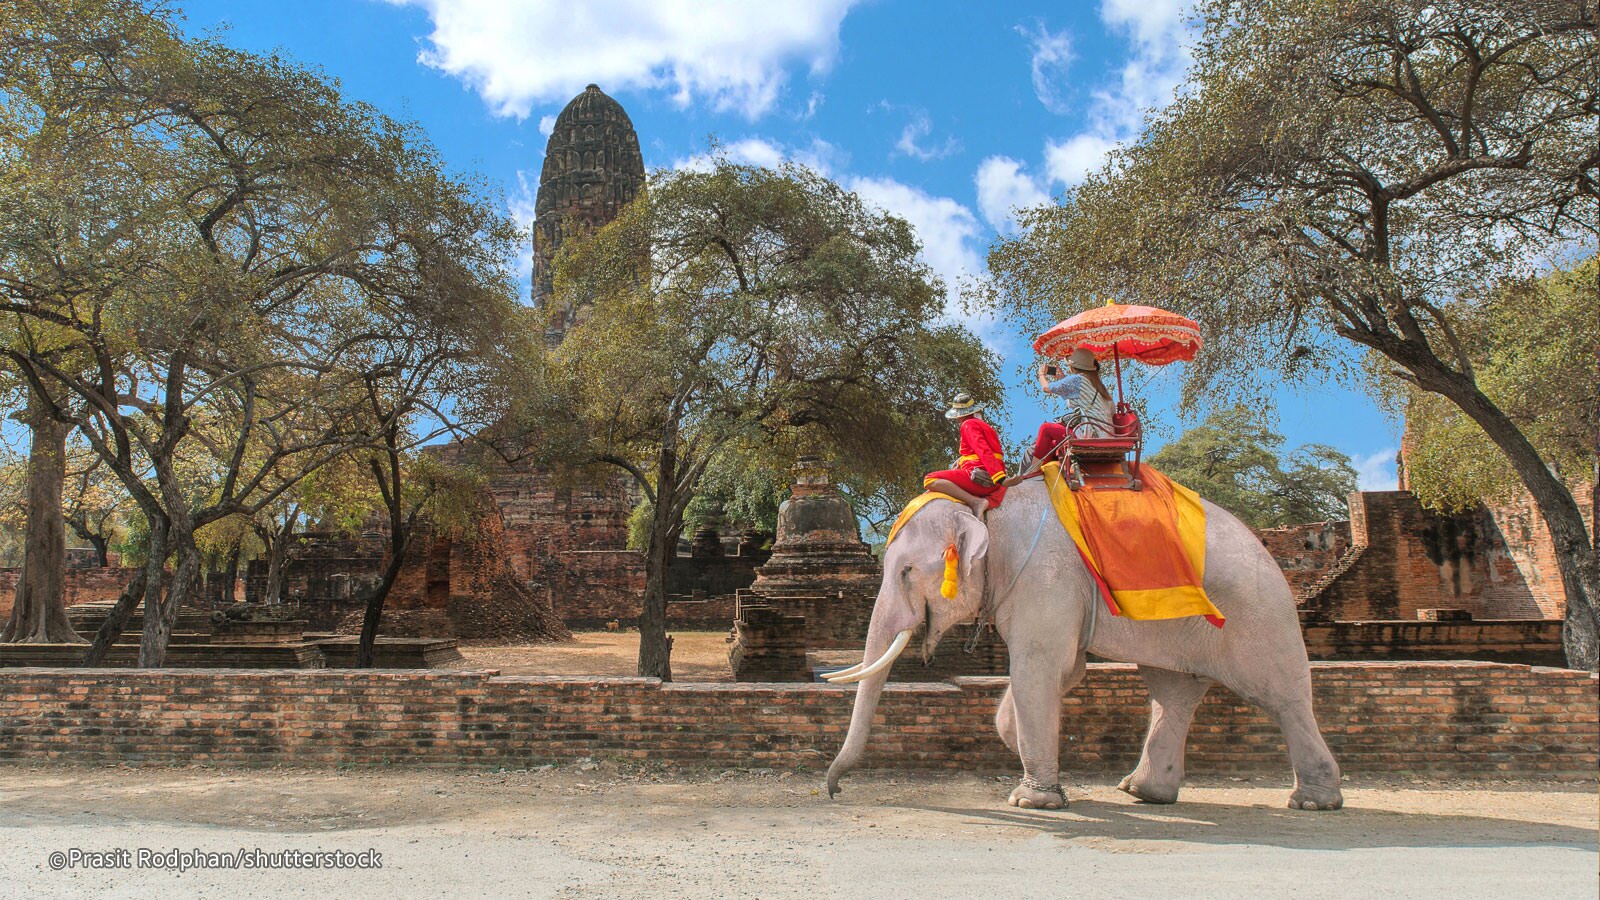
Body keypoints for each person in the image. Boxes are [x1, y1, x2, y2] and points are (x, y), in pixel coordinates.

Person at [924, 393, 1008, 516]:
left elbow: (983, 450)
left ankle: (974, 502)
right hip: (990, 475)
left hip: (982, 476)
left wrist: (999, 477)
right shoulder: (983, 425)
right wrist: (962, 459)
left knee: (930, 479)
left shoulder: (968, 424)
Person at [1031, 347, 1116, 464]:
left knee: (1045, 428)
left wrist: (1041, 375)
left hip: (1092, 437)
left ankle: (1033, 470)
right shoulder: (1099, 386)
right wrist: (1062, 378)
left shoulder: (1078, 379)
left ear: (1073, 366)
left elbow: (1046, 388)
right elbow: (1078, 398)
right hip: (1107, 436)